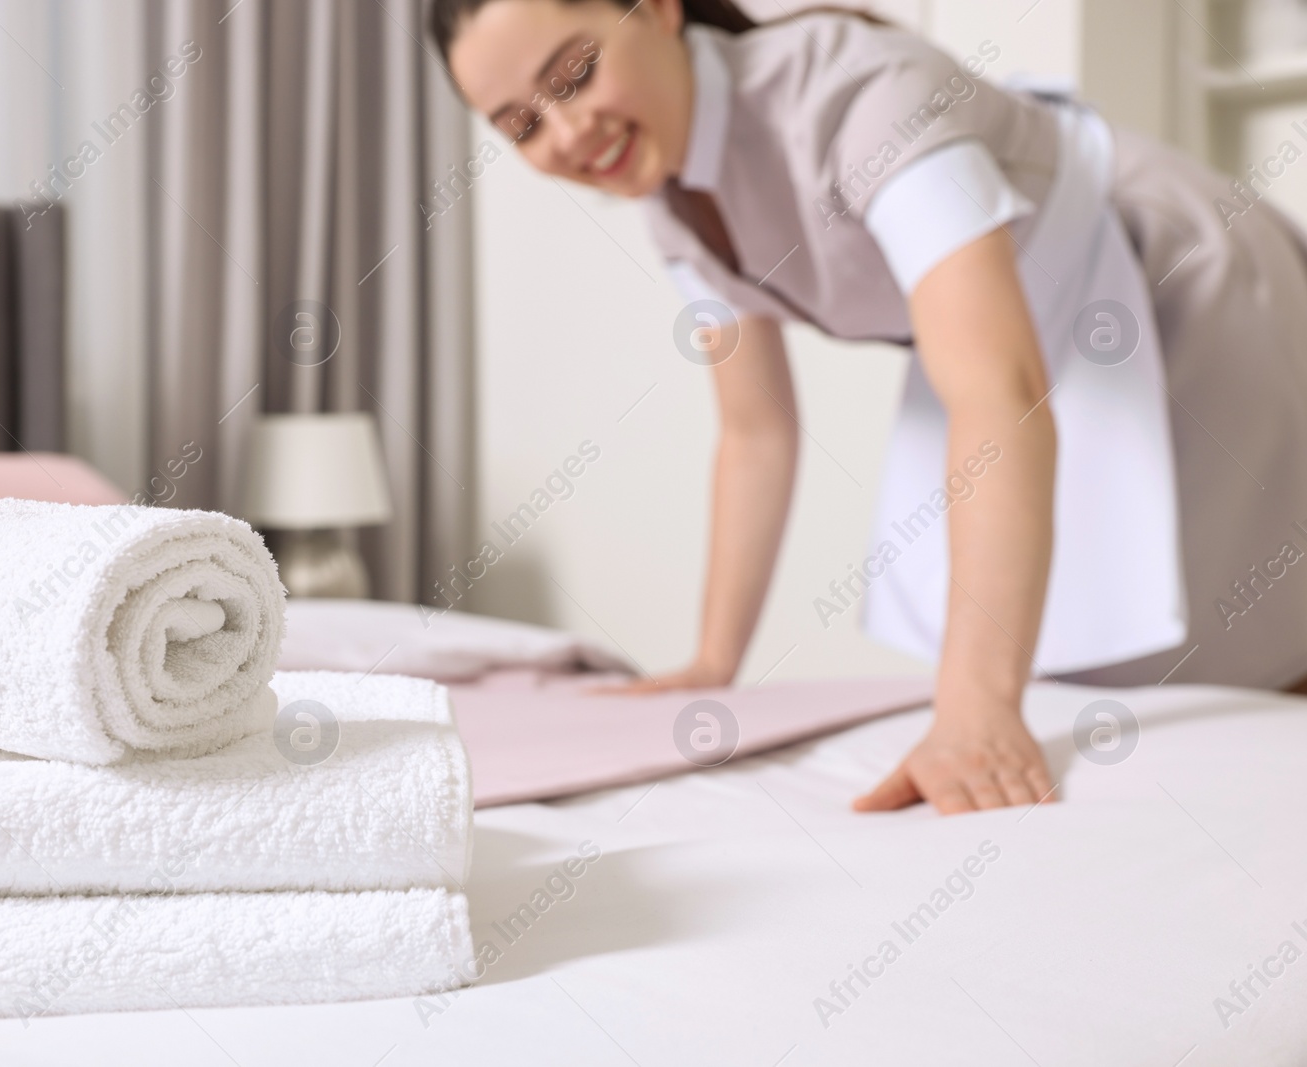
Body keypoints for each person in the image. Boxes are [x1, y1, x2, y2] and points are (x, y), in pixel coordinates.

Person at [432, 0, 1307, 814]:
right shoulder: (670, 207)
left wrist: (974, 709)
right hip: (1025, 328)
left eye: (575, 73)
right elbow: (755, 432)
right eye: (521, 126)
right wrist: (713, 662)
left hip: (1179, 285)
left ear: (658, 9)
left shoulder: (860, 96)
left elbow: (995, 391)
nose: (569, 132)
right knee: (1113, 656)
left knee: (1258, 616)